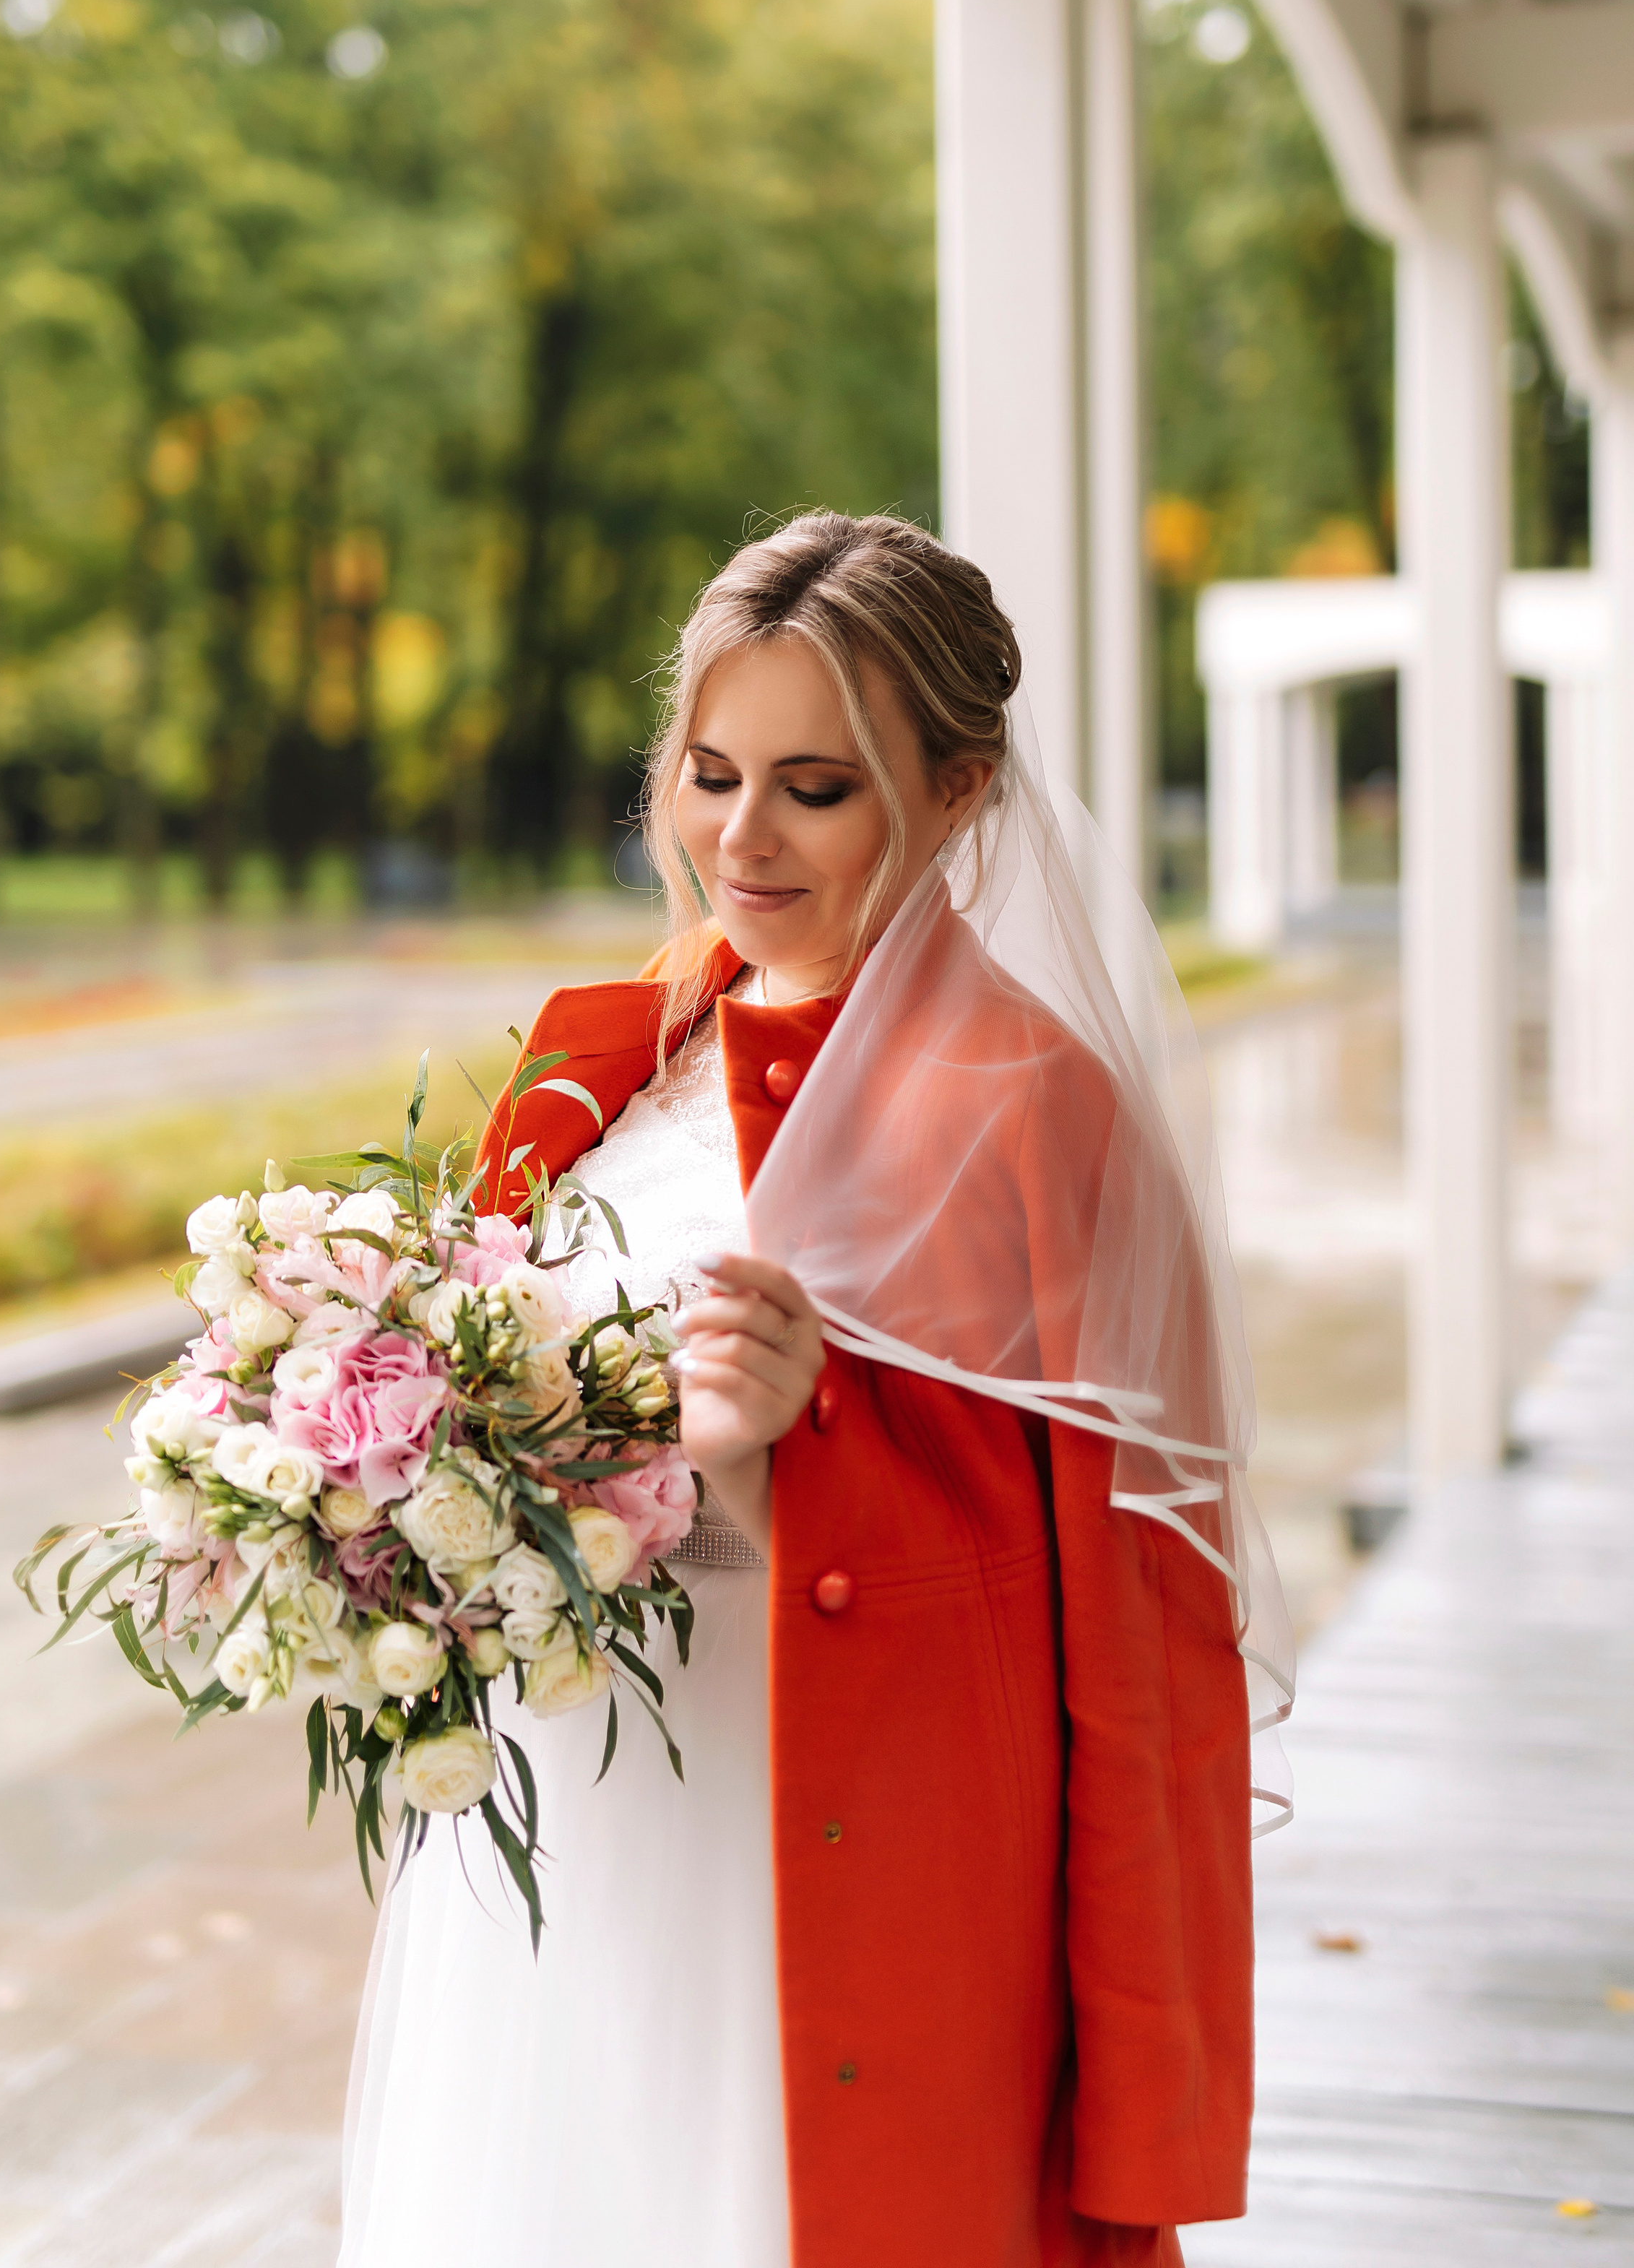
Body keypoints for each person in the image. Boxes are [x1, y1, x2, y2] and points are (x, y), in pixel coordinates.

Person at [339, 511, 1285, 2268]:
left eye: (814, 787)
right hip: (565, 1806)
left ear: (960, 791)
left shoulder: (1029, 1103)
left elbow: (1136, 1624)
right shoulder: (609, 1055)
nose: (738, 839)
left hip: (829, 1836)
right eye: (707, 773)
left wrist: (767, 1474)